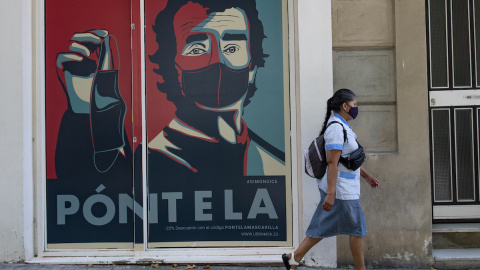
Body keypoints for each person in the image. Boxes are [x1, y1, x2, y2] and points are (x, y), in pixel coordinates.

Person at [282, 89, 380, 270]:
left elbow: (348, 160)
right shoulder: (336, 128)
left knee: (323, 226)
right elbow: (332, 163)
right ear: (345, 106)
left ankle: (294, 258)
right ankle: (361, 269)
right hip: (341, 190)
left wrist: (367, 176)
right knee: (357, 229)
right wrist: (331, 194)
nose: (356, 108)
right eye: (355, 105)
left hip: (344, 188)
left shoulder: (343, 126)